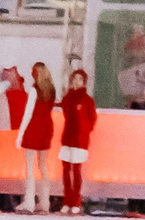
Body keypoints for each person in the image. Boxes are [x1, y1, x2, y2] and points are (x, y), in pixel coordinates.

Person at [14, 66, 56, 215]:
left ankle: (29, 202)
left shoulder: (34, 90)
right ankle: (45, 203)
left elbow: (28, 113)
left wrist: (20, 134)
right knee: (43, 166)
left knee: (30, 167)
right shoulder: (51, 90)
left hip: (34, 127)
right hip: (47, 127)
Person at [53, 73, 94, 216]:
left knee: (76, 171)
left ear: (84, 82)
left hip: (80, 140)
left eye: (80, 79)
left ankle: (76, 201)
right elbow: (65, 112)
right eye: (74, 79)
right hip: (67, 138)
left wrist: (84, 133)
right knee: (65, 171)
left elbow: (91, 120)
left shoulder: (87, 100)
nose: (76, 82)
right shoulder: (68, 98)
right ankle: (66, 200)